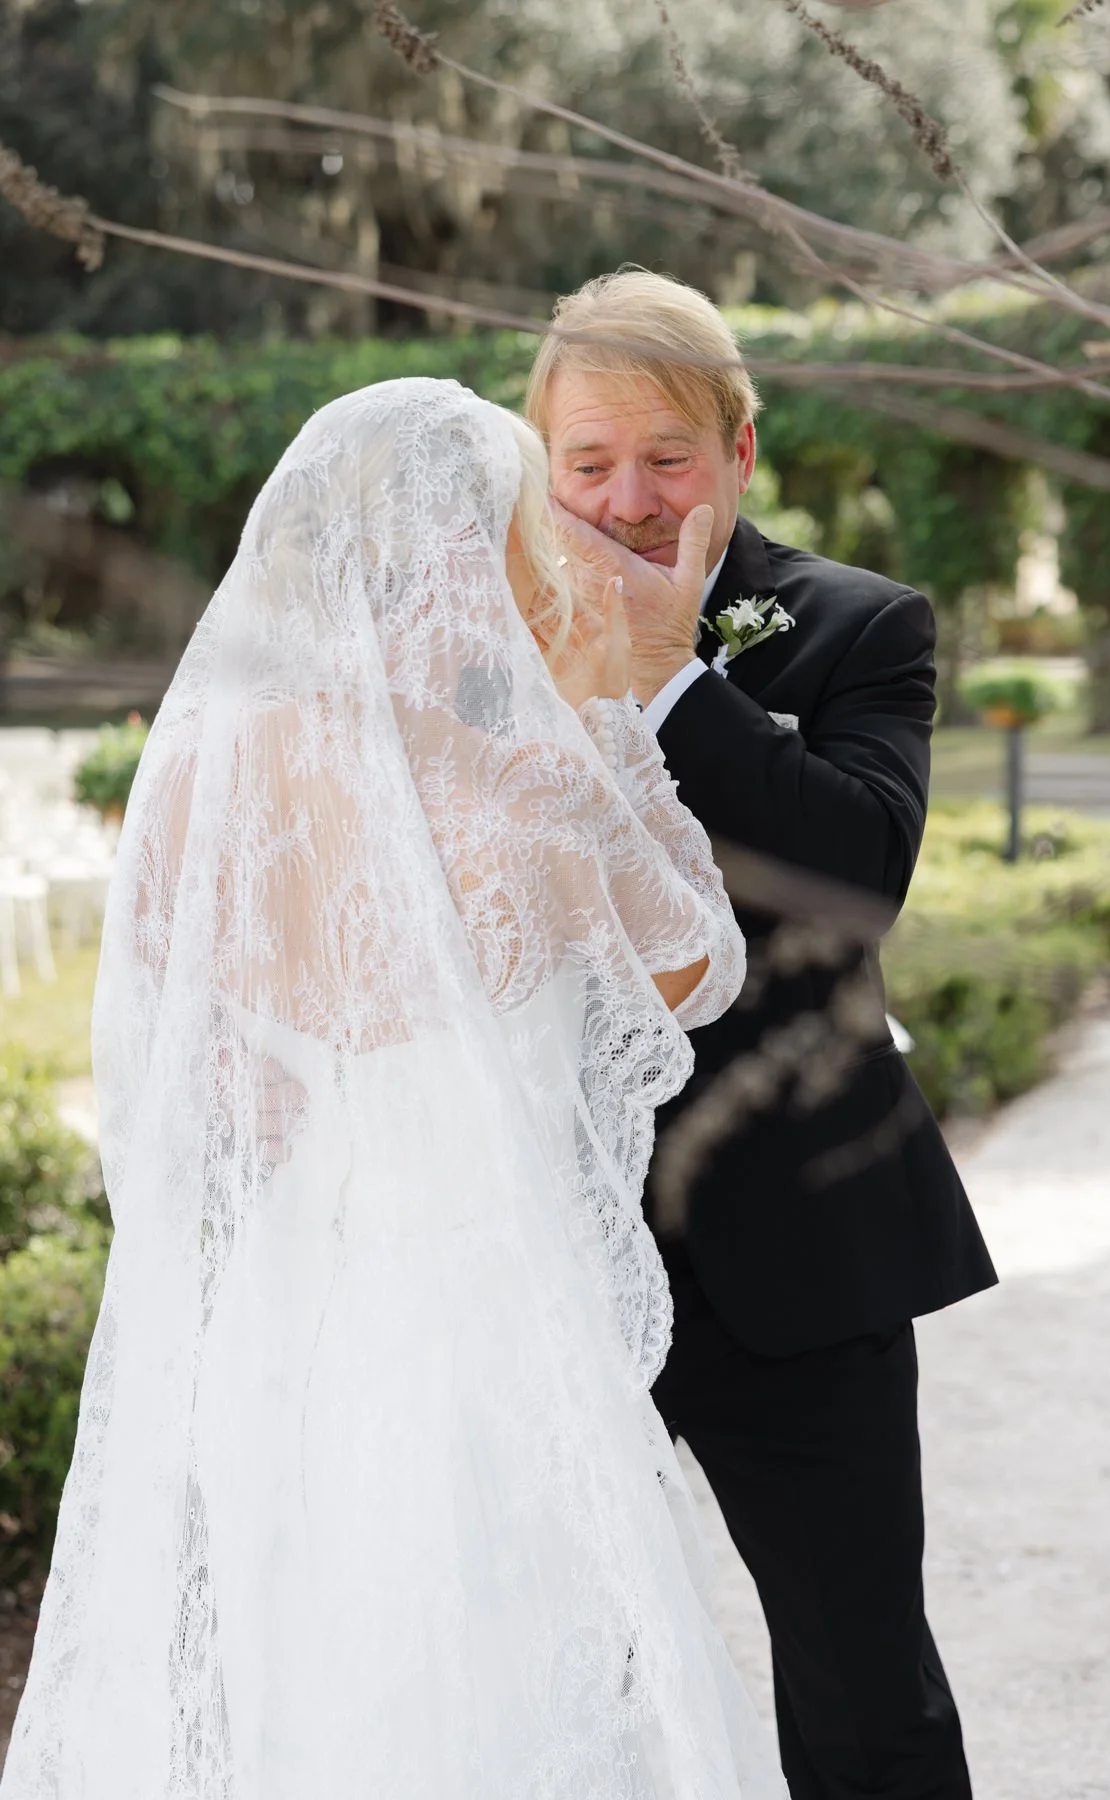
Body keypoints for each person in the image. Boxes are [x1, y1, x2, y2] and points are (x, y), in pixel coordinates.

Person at [0, 378, 791, 1799]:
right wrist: (615, 722)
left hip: (292, 1312)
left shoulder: (206, 772)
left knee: (315, 1681)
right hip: (490, 1315)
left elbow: (196, 1056)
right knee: (519, 1689)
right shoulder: (526, 787)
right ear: (468, 556)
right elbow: (699, 969)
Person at [527, 269, 998, 1800]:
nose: (624, 499)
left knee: (863, 1688)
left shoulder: (861, 626)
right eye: (587, 461)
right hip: (542, 1256)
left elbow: (857, 879)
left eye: (666, 456)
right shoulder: (466, 641)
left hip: (797, 1248)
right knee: (551, 1678)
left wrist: (668, 670)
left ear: (742, 446)